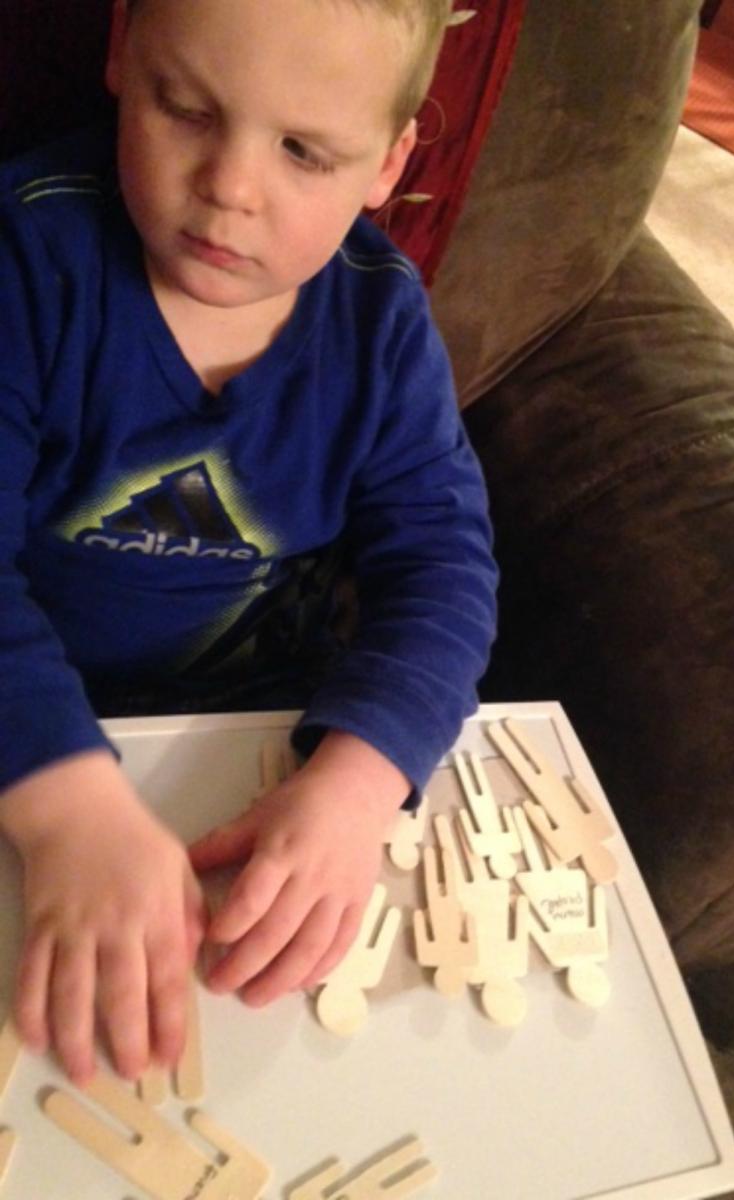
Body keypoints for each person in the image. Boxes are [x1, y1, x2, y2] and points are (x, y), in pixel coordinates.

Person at [0, 0, 497, 1088]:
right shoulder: (28, 260)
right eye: (186, 108)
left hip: (253, 745)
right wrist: (69, 807)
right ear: (124, 52)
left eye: (303, 152)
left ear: (388, 162)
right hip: (32, 744)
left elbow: (443, 566)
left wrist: (359, 783)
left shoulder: (379, 325)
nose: (229, 186)